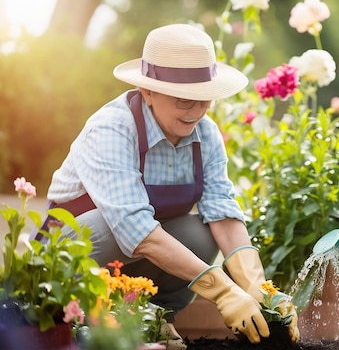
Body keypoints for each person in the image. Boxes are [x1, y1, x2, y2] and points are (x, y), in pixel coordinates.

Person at [32, 24, 299, 347]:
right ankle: (83, 320)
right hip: (65, 260)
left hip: (131, 253)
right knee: (106, 224)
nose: (197, 111)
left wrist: (258, 288)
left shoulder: (205, 133)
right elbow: (135, 229)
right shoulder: (112, 129)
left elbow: (223, 212)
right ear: (148, 92)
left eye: (204, 100)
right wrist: (224, 291)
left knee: (199, 232)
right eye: (184, 100)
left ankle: (154, 319)